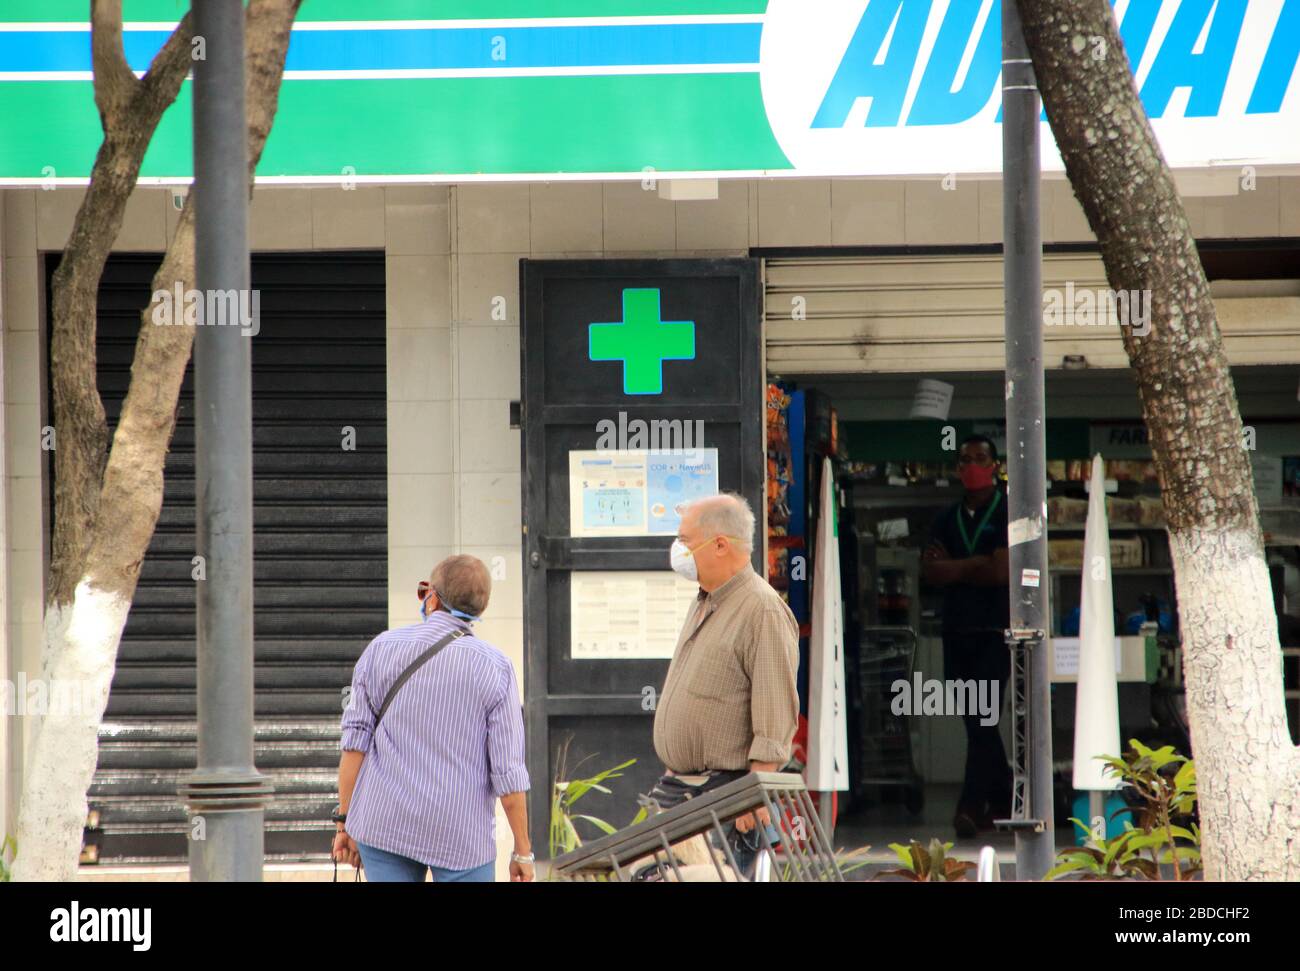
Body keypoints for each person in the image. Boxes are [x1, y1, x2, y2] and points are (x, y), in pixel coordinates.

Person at [332, 554, 533, 882]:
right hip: (461, 838)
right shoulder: (496, 669)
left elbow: (354, 747)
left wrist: (345, 823)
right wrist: (522, 851)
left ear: (431, 596)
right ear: (478, 611)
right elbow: (509, 772)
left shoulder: (381, 649)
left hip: (384, 825)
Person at [648, 493, 800, 877]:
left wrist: (753, 795)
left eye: (685, 541)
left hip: (728, 804)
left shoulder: (761, 610)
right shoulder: (707, 599)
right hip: (685, 796)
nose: (678, 551)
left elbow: (775, 710)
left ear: (719, 545)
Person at [921, 435, 1014, 838]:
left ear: (995, 465)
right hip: (956, 632)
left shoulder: (1010, 511)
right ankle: (1007, 796)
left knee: (983, 717)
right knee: (974, 720)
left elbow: (1001, 573)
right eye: (965, 460)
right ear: (958, 469)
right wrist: (978, 562)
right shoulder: (945, 518)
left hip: (995, 632)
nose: (972, 465)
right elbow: (932, 573)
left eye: (980, 458)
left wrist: (957, 567)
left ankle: (971, 806)